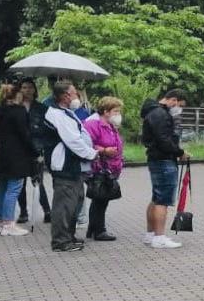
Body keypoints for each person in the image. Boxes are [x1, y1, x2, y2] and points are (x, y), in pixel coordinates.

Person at [45, 80, 100, 252]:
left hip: (74, 165)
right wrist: (91, 154)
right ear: (65, 96)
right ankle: (61, 241)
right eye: (75, 93)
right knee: (64, 204)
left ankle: (69, 236)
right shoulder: (57, 114)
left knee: (75, 201)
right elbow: (73, 140)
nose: (77, 96)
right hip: (65, 165)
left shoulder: (67, 112)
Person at [141, 89, 190, 249]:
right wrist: (180, 152)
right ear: (173, 100)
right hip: (164, 160)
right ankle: (159, 237)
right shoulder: (161, 114)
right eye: (179, 105)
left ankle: (150, 234)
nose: (178, 109)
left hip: (156, 159)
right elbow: (164, 140)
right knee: (163, 200)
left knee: (156, 198)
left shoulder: (152, 111)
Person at [0, 84, 35, 237]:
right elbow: (25, 135)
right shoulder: (19, 111)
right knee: (14, 188)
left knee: (2, 187)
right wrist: (34, 152)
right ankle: (9, 224)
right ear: (16, 95)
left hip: (1, 154)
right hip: (16, 156)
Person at [83, 97, 124, 241]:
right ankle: (99, 230)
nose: (118, 114)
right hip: (98, 168)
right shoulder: (93, 125)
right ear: (105, 111)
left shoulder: (111, 126)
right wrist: (104, 150)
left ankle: (94, 228)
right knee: (100, 198)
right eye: (115, 111)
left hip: (111, 169)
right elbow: (86, 144)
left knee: (101, 199)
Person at [17, 79, 52, 224]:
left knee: (37, 181)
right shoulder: (16, 107)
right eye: (24, 87)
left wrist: (43, 148)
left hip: (36, 148)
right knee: (20, 183)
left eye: (30, 87)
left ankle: (47, 211)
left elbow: (47, 129)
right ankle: (23, 212)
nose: (27, 90)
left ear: (34, 90)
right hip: (19, 148)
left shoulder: (41, 108)